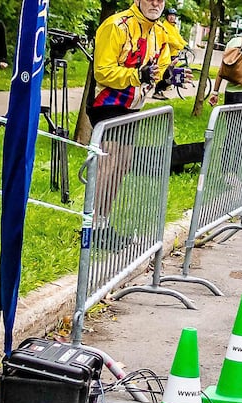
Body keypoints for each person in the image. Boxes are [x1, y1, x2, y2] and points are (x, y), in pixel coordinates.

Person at [89, 0, 171, 245]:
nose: (156, 3)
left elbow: (158, 71)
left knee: (122, 165)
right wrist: (136, 75)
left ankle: (102, 224)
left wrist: (168, 78)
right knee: (109, 162)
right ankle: (89, 227)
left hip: (133, 105)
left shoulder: (159, 33)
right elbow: (101, 70)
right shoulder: (117, 25)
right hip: (108, 102)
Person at [152, 8, 187, 100]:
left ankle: (162, 89)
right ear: (166, 16)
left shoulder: (173, 27)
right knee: (167, 75)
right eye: (170, 15)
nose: (172, 17)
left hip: (173, 54)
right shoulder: (165, 26)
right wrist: (181, 46)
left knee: (170, 75)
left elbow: (178, 37)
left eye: (173, 16)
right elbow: (170, 39)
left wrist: (185, 44)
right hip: (167, 55)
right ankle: (157, 91)